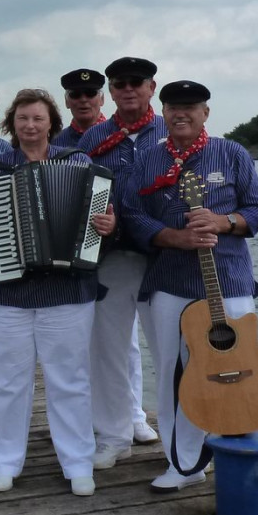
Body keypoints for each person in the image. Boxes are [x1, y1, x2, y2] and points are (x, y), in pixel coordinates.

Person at [0, 89, 114, 496]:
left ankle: (77, 463)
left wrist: (110, 224)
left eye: (37, 118)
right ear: (10, 123)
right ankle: (6, 461)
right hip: (7, 294)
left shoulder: (77, 162)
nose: (29, 126)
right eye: (22, 118)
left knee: (70, 380)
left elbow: (107, 216)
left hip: (68, 293)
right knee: (6, 382)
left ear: (50, 123)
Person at [120, 80, 258, 492]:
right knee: (175, 372)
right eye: (172, 107)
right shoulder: (148, 160)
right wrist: (175, 237)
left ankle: (241, 454)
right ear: (162, 112)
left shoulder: (232, 153)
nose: (180, 113)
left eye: (190, 107)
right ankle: (184, 464)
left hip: (230, 280)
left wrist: (224, 223)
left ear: (206, 112)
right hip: (171, 282)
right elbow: (132, 217)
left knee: (239, 368)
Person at [79, 56, 168, 469]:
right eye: (119, 84)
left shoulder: (173, 131)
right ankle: (114, 435)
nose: (127, 89)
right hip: (111, 258)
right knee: (108, 353)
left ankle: (179, 440)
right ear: (110, 92)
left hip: (165, 260)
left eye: (136, 82)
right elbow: (77, 196)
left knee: (171, 352)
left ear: (152, 87)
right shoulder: (93, 138)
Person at [55, 68, 108, 145]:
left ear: (102, 99)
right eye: (75, 94)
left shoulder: (119, 137)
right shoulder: (55, 143)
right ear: (66, 102)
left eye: (90, 93)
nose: (83, 100)